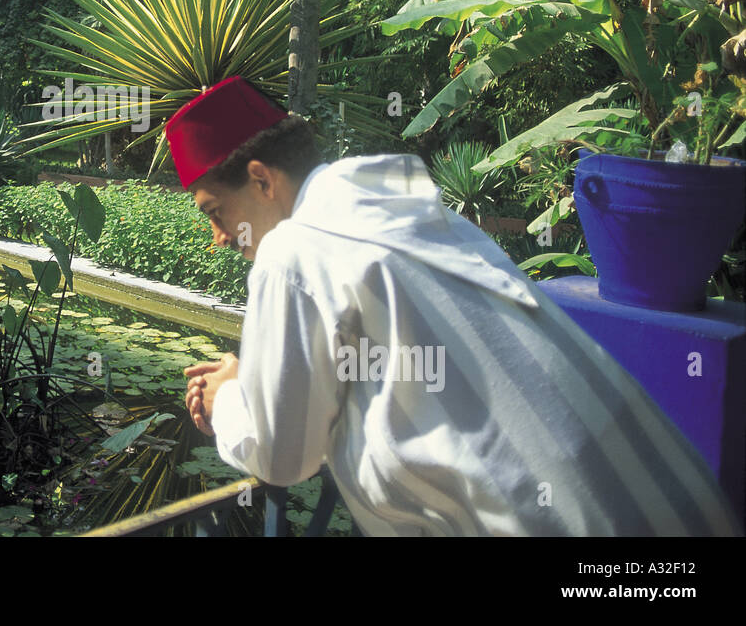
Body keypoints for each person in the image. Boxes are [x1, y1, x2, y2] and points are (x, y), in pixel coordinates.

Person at [172, 76, 742, 536]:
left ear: (261, 180)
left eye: (213, 211)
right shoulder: (415, 218)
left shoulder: (293, 250)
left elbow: (281, 457)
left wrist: (228, 399)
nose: (218, 236)